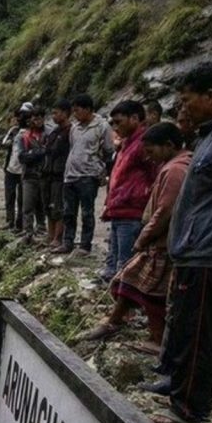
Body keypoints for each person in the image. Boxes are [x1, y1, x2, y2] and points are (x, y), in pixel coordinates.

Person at [152, 61, 212, 423]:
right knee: (186, 326)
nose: (183, 108)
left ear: (211, 96)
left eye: (187, 100)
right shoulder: (211, 135)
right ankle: (177, 387)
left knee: (202, 332)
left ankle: (190, 409)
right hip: (196, 253)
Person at [76, 123, 190, 352]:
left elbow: (165, 210)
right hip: (160, 240)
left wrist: (144, 237)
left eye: (151, 151)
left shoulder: (176, 170)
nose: (148, 157)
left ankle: (156, 339)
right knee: (129, 279)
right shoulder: (175, 165)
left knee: (151, 292)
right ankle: (115, 321)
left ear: (168, 145)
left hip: (162, 242)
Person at [100, 101, 156, 284]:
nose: (115, 127)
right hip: (118, 208)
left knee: (125, 263)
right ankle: (112, 290)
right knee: (114, 257)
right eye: (113, 124)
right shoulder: (126, 144)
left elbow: (155, 176)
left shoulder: (143, 144)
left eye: (119, 122)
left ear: (134, 119)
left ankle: (125, 304)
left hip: (132, 211)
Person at [55, 94, 114, 255]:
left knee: (87, 212)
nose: (75, 114)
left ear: (88, 109)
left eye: (78, 110)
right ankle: (68, 242)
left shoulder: (101, 126)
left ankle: (85, 245)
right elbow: (74, 149)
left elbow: (109, 151)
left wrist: (103, 172)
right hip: (71, 175)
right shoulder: (75, 128)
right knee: (68, 211)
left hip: (89, 176)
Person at [44, 100, 72, 249]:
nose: (54, 116)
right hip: (50, 172)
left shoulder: (70, 131)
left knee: (58, 207)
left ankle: (58, 237)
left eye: (56, 113)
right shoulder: (55, 132)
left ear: (65, 113)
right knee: (49, 205)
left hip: (61, 174)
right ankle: (50, 235)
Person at [18, 107, 48, 242]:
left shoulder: (48, 134)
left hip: (45, 174)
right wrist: (38, 152)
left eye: (40, 118)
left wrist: (33, 153)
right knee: (28, 204)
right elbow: (22, 157)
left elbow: (49, 152)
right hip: (29, 175)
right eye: (35, 118)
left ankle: (41, 228)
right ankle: (28, 231)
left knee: (42, 204)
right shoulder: (24, 137)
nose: (38, 121)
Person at [2, 108, 30, 232]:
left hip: (23, 169)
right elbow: (4, 143)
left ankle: (19, 224)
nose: (19, 120)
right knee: (9, 196)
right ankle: (10, 221)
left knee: (21, 199)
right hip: (11, 168)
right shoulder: (13, 131)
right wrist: (14, 139)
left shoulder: (31, 132)